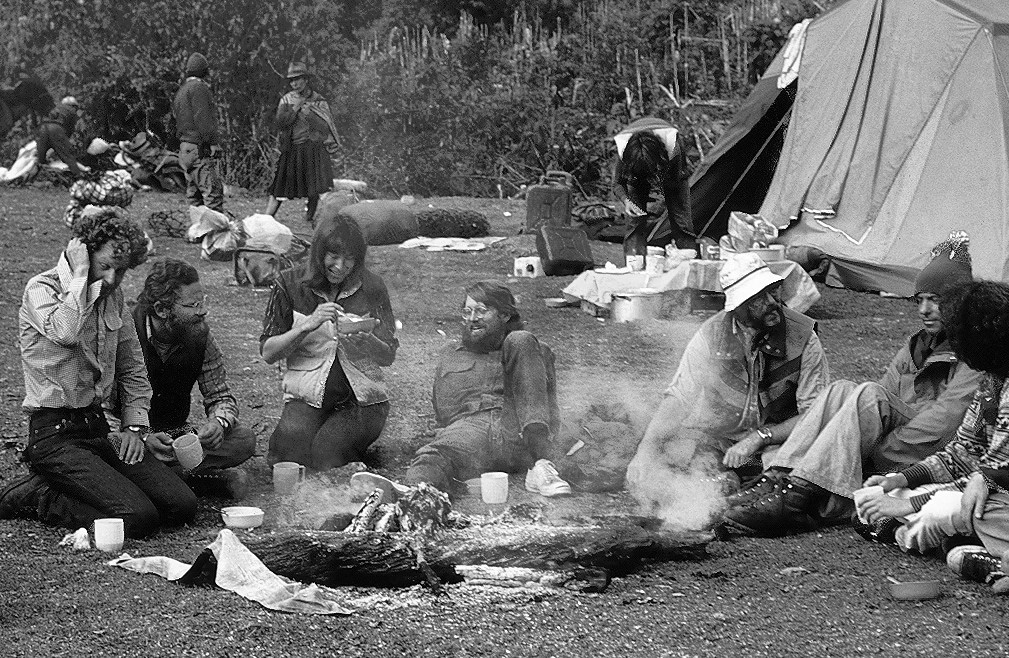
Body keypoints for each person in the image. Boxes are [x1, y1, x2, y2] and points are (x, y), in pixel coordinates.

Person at [720, 233, 980, 536]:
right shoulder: (918, 345)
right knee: (842, 389)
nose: (924, 310)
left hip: (924, 455)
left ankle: (793, 498)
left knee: (869, 395)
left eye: (935, 301)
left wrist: (872, 448)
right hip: (899, 438)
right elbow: (886, 392)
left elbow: (944, 426)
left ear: (958, 302)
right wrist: (857, 435)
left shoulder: (973, 353)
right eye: (920, 300)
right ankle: (779, 478)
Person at [0, 209, 196, 538]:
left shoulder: (113, 297)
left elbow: (132, 367)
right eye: (105, 266)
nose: (112, 279)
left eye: (121, 271)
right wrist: (79, 277)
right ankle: (40, 495)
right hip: (55, 436)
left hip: (98, 429)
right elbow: (65, 332)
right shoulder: (41, 289)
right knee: (137, 518)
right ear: (83, 252)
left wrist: (134, 427)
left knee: (181, 505)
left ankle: (82, 480)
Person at [625, 252, 830, 510]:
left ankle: (754, 489)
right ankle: (728, 483)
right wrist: (645, 450)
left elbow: (815, 415)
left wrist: (762, 436)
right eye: (759, 298)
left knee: (793, 467)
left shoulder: (804, 337)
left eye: (772, 292)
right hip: (720, 441)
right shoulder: (712, 333)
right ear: (739, 306)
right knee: (671, 459)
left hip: (778, 444)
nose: (772, 302)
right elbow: (679, 397)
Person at [856, 280, 1009, 592]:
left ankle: (940, 540)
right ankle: (975, 550)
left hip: (999, 500)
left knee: (957, 510)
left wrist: (908, 506)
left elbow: (993, 479)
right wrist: (901, 481)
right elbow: (964, 452)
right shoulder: (992, 380)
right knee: (914, 501)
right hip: (995, 492)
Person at [354, 282, 570, 500]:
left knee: (520, 338)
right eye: (467, 312)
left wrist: (543, 443)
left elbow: (547, 408)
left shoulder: (529, 348)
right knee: (432, 457)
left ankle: (541, 467)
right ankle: (416, 494)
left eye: (482, 310)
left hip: (517, 431)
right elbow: (444, 412)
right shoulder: (452, 354)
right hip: (472, 433)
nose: (472, 318)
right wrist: (450, 438)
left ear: (504, 315)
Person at [260, 207, 397, 470]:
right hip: (308, 396)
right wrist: (307, 325)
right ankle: (336, 442)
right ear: (319, 253)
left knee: (326, 453)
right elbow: (268, 353)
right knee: (285, 456)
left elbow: (388, 354)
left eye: (350, 259)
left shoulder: (372, 287)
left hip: (362, 398)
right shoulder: (289, 284)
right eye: (333, 257)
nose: (340, 267)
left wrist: (371, 343)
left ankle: (345, 446)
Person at [119, 258, 256, 498]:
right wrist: (142, 435)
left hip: (175, 436)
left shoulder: (199, 333)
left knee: (243, 439)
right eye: (193, 305)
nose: (202, 311)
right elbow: (101, 409)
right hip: (131, 437)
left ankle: (166, 477)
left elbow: (220, 395)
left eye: (203, 301)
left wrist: (218, 423)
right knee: (115, 449)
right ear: (162, 310)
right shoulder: (124, 333)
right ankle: (185, 478)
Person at [263, 62, 339, 226]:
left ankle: (309, 218)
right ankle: (266, 219)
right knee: (280, 186)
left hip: (314, 149)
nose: (294, 84)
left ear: (306, 80)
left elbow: (326, 127)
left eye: (297, 80)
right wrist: (295, 110)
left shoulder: (319, 101)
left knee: (317, 187)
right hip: (292, 149)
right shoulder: (286, 100)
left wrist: (310, 115)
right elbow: (281, 123)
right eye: (292, 81)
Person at [613, 117, 694, 265]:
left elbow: (676, 181)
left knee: (681, 222)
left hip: (671, 172)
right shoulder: (625, 150)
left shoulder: (672, 146)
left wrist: (666, 204)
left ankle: (688, 267)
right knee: (635, 222)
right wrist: (627, 201)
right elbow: (617, 184)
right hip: (637, 176)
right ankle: (634, 267)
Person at [172, 52, 224, 212]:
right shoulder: (199, 88)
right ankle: (213, 236)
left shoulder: (181, 91)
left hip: (184, 149)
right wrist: (213, 142)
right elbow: (203, 118)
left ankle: (196, 234)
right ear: (205, 72)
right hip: (198, 148)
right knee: (212, 194)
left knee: (195, 197)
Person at [32, 96, 85, 178]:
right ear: (73, 105)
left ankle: (34, 179)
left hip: (42, 127)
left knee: (41, 158)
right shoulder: (72, 111)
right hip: (56, 128)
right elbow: (70, 130)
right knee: (68, 157)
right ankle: (80, 177)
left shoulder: (55, 106)